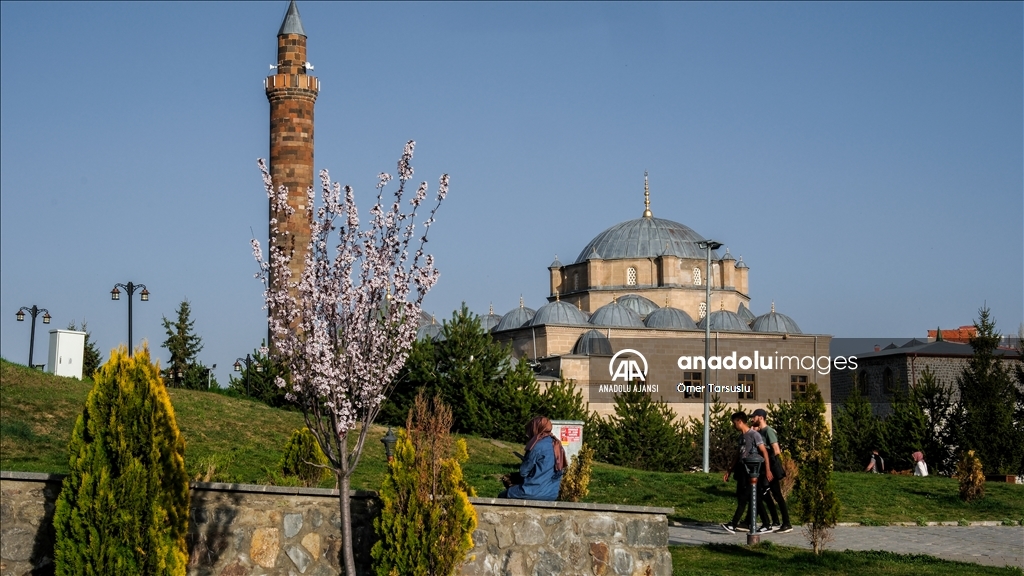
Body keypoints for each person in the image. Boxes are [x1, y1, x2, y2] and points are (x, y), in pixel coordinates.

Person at [721, 411, 774, 534]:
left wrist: (767, 469)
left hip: (752, 471)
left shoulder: (754, 435)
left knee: (745, 497)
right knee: (754, 498)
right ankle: (766, 524)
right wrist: (729, 470)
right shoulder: (741, 437)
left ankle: (733, 524)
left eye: (734, 423)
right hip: (742, 471)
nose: (734, 425)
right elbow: (738, 454)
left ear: (739, 421)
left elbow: (764, 451)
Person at [499, 416, 566, 501]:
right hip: (552, 494)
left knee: (502, 496)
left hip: (531, 491)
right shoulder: (557, 445)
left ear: (536, 428)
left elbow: (523, 472)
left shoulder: (537, 445)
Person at [748, 408, 793, 534]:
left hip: (771, 468)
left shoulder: (768, 431)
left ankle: (786, 523)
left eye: (754, 417)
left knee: (777, 495)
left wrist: (769, 465)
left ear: (761, 417)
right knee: (764, 493)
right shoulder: (760, 431)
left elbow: (776, 450)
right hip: (764, 468)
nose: (752, 419)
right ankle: (775, 521)